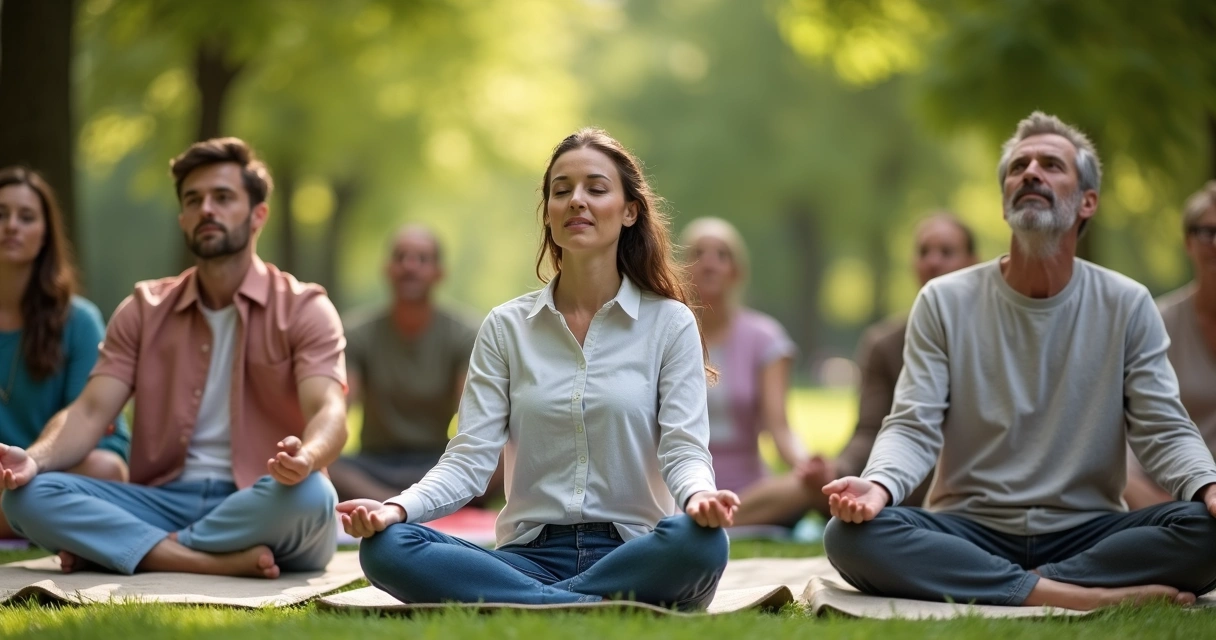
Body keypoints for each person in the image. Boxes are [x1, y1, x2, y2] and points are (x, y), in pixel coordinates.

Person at [822, 112, 1216, 611]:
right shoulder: (943, 301)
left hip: (1087, 531)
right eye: (1019, 166)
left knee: (1206, 530)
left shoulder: (1128, 303)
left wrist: (1208, 484)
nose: (1031, 172)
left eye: (1052, 165)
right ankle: (1078, 595)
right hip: (968, 528)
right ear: (1005, 202)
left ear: (1087, 202)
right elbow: (912, 425)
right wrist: (877, 487)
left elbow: (1164, 427)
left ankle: (1011, 585)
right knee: (849, 535)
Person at [337, 128, 736, 610]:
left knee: (703, 542)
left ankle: (531, 603)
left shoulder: (669, 323)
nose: (576, 201)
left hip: (636, 551)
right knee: (387, 547)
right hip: (527, 556)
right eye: (561, 190)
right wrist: (396, 509)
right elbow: (468, 461)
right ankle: (586, 602)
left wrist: (699, 501)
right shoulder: (507, 327)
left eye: (595, 187)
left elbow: (683, 449)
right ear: (548, 213)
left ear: (630, 210)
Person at [0, 138, 347, 578]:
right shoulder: (144, 309)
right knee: (27, 496)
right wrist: (36, 459)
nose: (206, 209)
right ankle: (205, 560)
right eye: (193, 200)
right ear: (182, 217)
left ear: (258, 214)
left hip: (267, 496)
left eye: (222, 198)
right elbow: (89, 411)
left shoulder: (304, 309)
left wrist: (308, 456)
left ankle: (128, 548)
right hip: (161, 500)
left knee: (314, 496)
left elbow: (329, 410)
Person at [730, 214, 978, 527]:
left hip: (975, 497)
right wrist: (835, 470)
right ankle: (706, 521)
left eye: (946, 252)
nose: (932, 261)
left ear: (972, 262)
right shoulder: (885, 344)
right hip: (901, 491)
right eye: (923, 252)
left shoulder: (995, 335)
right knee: (837, 524)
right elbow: (869, 431)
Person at [0, 167, 130, 539]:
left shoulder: (80, 321)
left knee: (106, 468)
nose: (11, 226)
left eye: (26, 217)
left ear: (44, 236)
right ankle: (26, 518)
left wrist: (30, 466)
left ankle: (24, 514)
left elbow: (99, 433)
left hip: (55, 473)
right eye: (1, 214)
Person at [330, 225, 488, 503]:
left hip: (436, 464)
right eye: (401, 257)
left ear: (439, 273)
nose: (409, 266)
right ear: (387, 269)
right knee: (323, 463)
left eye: (422, 259)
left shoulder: (463, 334)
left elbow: (471, 419)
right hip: (374, 466)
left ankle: (401, 505)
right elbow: (339, 407)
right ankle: (412, 504)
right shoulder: (357, 333)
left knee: (502, 462)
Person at [678, 217, 804, 527]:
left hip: (750, 490)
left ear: (737, 271)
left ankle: (710, 520)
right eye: (698, 253)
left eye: (722, 255)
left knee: (802, 487)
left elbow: (781, 428)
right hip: (682, 485)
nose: (710, 263)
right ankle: (702, 515)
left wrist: (808, 466)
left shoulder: (765, 337)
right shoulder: (664, 334)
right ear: (682, 268)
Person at [1124, 182, 1216, 508]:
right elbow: (1121, 438)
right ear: (1188, 241)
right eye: (1208, 232)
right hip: (1169, 501)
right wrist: (1160, 506)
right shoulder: (1154, 323)